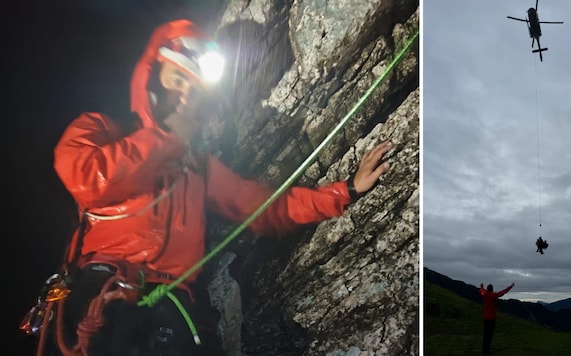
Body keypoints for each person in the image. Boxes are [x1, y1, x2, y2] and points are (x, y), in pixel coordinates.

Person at [35, 19, 392, 356]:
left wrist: (346, 191)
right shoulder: (98, 129)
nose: (186, 97)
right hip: (101, 293)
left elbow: (268, 209)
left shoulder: (200, 170)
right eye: (177, 79)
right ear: (152, 80)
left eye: (195, 90)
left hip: (173, 308)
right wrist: (164, 140)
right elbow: (85, 177)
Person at [479, 282, 515, 354]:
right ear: (492, 289)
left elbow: (481, 290)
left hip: (485, 317)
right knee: (490, 334)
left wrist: (482, 286)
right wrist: (510, 286)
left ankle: (484, 349)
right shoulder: (493, 295)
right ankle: (487, 350)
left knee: (485, 333)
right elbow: (502, 292)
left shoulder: (484, 294)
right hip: (492, 317)